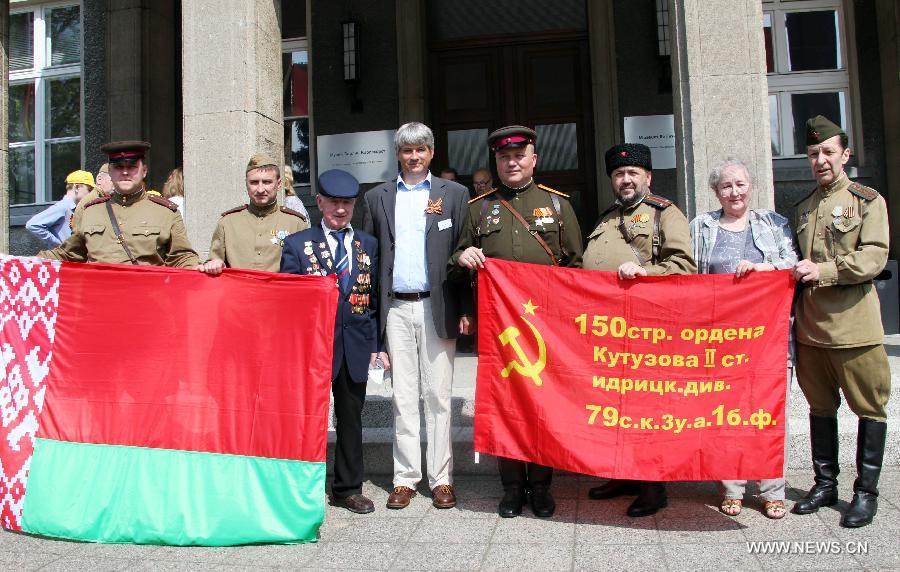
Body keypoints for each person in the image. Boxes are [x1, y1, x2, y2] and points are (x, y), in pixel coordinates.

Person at [451, 125, 583, 518]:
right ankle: (511, 487)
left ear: (534, 159)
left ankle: (541, 486)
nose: (511, 163)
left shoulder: (558, 205)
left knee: (543, 405)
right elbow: (455, 262)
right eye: (504, 157)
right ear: (496, 162)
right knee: (505, 406)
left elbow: (575, 266)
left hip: (546, 328)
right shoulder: (478, 209)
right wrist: (463, 259)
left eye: (519, 156)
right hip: (500, 329)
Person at [361, 122, 472, 510]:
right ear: (398, 154)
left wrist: (464, 309)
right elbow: (369, 258)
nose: (414, 157)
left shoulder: (455, 194)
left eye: (421, 150)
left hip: (436, 305)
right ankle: (405, 478)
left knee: (438, 395)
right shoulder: (377, 197)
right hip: (395, 307)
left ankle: (441, 479)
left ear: (431, 153)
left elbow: (463, 253)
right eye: (407, 150)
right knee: (403, 397)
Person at [581, 143, 696, 518]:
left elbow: (683, 267)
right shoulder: (606, 218)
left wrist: (646, 274)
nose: (625, 179)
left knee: (646, 409)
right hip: (609, 333)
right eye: (618, 174)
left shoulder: (666, 214)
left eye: (633, 173)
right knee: (616, 407)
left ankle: (652, 486)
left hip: (649, 333)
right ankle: (623, 474)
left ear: (648, 177)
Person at [791, 115, 891, 528]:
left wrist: (825, 270)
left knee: (870, 410)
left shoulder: (868, 201)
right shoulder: (802, 207)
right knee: (820, 409)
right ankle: (825, 484)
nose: (820, 160)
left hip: (854, 330)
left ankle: (865, 493)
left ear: (845, 154)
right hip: (812, 331)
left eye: (828, 152)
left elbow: (874, 256)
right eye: (813, 154)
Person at [689, 157, 798, 520]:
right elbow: (687, 276)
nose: (734, 192)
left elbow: (794, 265)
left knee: (766, 414)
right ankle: (731, 487)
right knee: (724, 415)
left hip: (767, 341)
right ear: (715, 191)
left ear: (751, 185)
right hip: (719, 343)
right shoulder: (701, 226)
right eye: (726, 186)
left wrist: (765, 268)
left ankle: (771, 489)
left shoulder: (773, 223)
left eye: (740, 184)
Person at [281, 169, 387, 514]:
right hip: (312, 347)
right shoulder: (298, 244)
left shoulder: (367, 244)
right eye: (333, 203)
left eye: (346, 203)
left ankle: (347, 488)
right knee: (305, 418)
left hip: (355, 345)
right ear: (320, 202)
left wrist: (378, 346)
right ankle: (301, 485)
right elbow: (288, 299)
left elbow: (373, 301)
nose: (340, 210)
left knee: (350, 419)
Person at [37, 141, 201, 269]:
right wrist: (26, 262)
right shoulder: (90, 211)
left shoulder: (166, 212)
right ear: (110, 171)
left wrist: (201, 268)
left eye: (131, 167)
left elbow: (181, 257)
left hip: (147, 303)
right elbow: (69, 254)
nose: (124, 172)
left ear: (144, 171)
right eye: (118, 167)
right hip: (100, 302)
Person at [197, 154, 308, 275]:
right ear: (246, 183)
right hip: (238, 291)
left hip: (279, 292)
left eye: (267, 182)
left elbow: (306, 270)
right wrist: (215, 263)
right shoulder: (228, 223)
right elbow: (213, 261)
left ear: (279, 183)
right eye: (254, 182)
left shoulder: (296, 224)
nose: (260, 189)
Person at [26, 170, 95, 248]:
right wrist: (59, 245)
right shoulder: (63, 206)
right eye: (89, 190)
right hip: (63, 258)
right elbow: (32, 224)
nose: (91, 194)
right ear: (77, 187)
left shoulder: (75, 208)